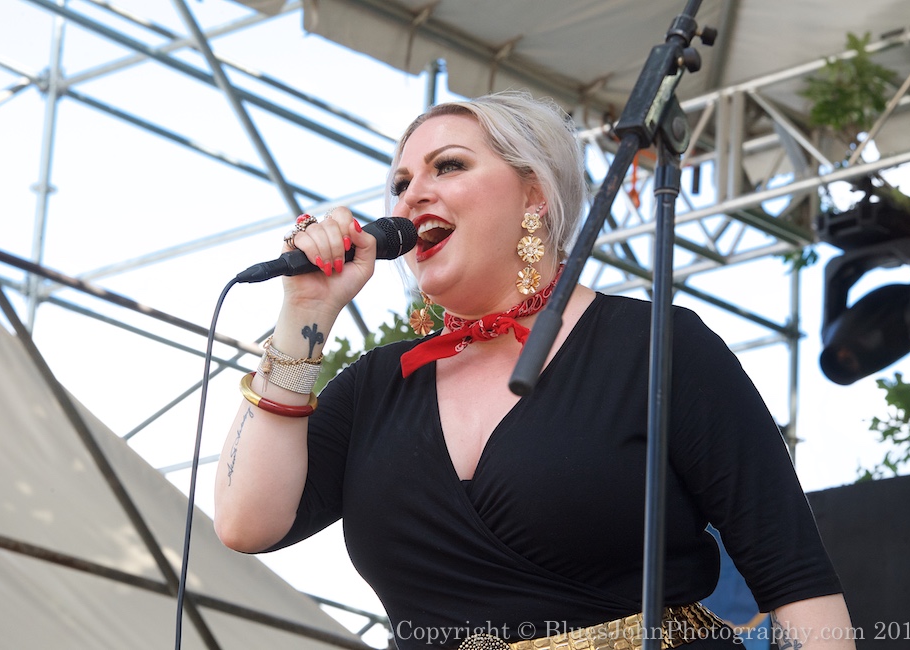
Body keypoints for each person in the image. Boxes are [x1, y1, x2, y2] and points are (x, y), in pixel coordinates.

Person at [214, 91, 855, 650]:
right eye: (402, 183)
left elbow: (795, 582)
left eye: (449, 166)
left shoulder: (657, 346)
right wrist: (306, 311)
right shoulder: (378, 386)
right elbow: (246, 525)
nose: (412, 196)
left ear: (533, 193)